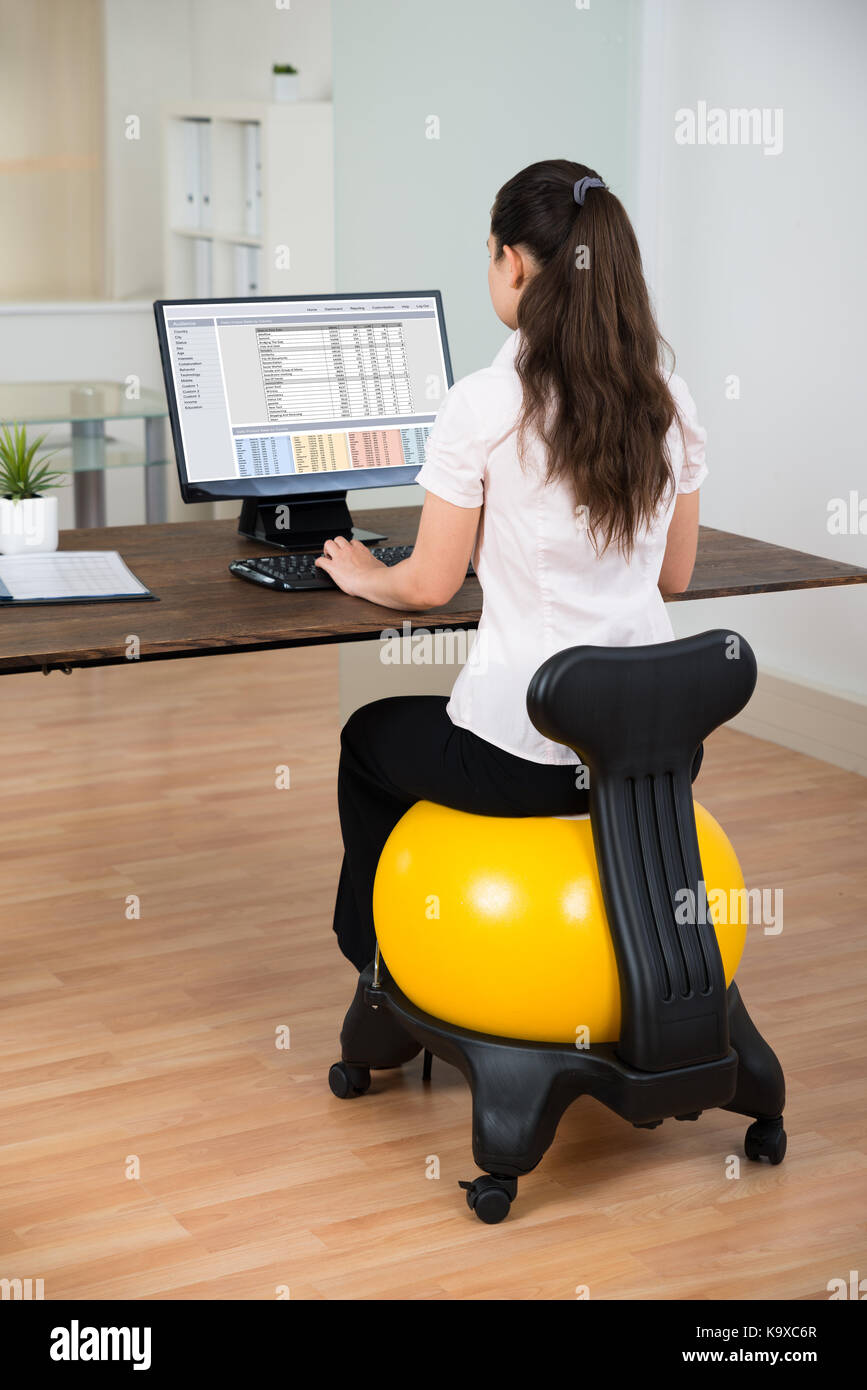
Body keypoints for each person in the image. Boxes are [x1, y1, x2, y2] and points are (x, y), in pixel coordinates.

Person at [315, 159, 707, 972]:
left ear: (515, 264)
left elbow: (425, 585)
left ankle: (380, 973)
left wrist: (361, 575)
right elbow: (673, 577)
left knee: (367, 739)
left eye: (489, 254)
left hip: (525, 761)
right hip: (650, 751)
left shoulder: (485, 404)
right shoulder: (666, 398)